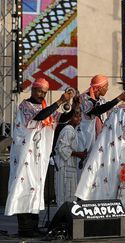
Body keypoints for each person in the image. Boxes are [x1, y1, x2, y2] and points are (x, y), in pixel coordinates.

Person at [4, 78, 73, 237]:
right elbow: (39, 116)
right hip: (24, 156)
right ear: (33, 90)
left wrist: (72, 106)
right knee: (23, 187)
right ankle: (25, 229)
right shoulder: (25, 105)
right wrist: (59, 101)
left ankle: (33, 227)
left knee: (35, 188)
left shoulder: (44, 107)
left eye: (44, 92)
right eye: (39, 91)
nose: (42, 95)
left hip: (37, 158)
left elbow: (60, 119)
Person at [75, 90, 125, 200]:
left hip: (106, 152)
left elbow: (121, 133)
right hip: (114, 156)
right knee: (111, 186)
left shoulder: (118, 109)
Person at [75, 74, 125, 179]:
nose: (107, 88)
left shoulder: (102, 100)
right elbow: (95, 111)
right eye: (106, 86)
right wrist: (117, 99)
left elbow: (111, 112)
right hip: (85, 138)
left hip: (98, 140)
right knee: (83, 172)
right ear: (99, 88)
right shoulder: (84, 98)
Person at [53, 107, 87, 206]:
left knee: (70, 196)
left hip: (69, 167)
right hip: (64, 167)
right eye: (76, 116)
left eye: (80, 116)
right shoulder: (68, 130)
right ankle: (64, 219)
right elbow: (62, 148)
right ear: (71, 117)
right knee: (65, 195)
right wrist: (78, 154)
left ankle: (67, 219)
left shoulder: (72, 130)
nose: (79, 119)